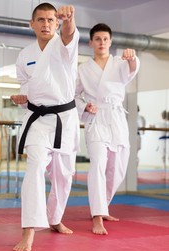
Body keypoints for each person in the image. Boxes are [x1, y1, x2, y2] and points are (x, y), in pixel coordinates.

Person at [11, 3, 80, 251]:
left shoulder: (63, 45)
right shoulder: (24, 54)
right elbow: (25, 85)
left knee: (63, 176)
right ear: (32, 24)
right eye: (40, 20)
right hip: (37, 118)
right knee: (35, 167)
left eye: (51, 20)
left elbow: (71, 34)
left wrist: (70, 20)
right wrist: (22, 96)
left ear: (57, 23)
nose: (46, 24)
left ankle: (55, 218)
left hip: (64, 118)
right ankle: (29, 230)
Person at [75, 23, 140, 235]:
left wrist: (132, 58)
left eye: (105, 39)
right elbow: (74, 95)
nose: (102, 43)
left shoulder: (121, 63)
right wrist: (84, 106)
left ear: (110, 42)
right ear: (91, 42)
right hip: (96, 118)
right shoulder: (83, 69)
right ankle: (97, 216)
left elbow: (132, 70)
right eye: (98, 39)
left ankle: (102, 206)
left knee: (119, 167)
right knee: (98, 166)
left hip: (116, 117)